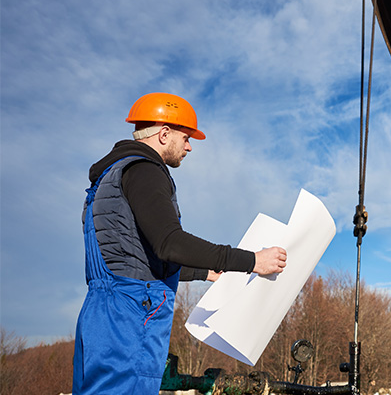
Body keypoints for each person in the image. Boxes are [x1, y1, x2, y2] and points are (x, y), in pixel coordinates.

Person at [72, 92, 287, 394]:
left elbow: (135, 256)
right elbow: (169, 243)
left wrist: (203, 272)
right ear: (163, 134)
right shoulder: (145, 170)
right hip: (131, 316)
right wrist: (253, 261)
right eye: (186, 138)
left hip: (99, 315)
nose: (189, 147)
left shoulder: (107, 178)